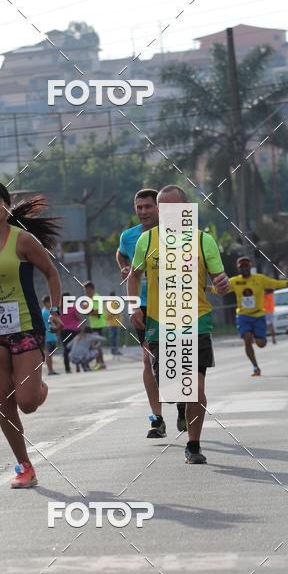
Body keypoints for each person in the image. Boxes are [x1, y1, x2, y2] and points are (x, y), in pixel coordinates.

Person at [0, 181, 62, 489]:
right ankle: (24, 466)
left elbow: (52, 273)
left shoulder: (23, 240)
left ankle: (38, 388)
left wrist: (56, 311)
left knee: (26, 402)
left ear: (6, 206)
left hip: (26, 326)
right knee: (3, 401)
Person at [128, 185, 231, 465]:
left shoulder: (203, 240)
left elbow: (219, 281)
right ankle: (181, 402)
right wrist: (133, 306)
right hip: (160, 324)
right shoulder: (147, 240)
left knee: (195, 387)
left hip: (196, 322)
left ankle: (193, 446)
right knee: (171, 388)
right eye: (162, 207)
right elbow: (134, 275)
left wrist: (223, 284)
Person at [117, 187, 186, 438]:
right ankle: (157, 419)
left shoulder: (175, 233)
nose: (143, 211)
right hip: (144, 305)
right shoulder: (129, 236)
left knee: (175, 355)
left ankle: (182, 404)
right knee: (149, 360)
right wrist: (126, 269)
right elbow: (121, 254)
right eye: (139, 207)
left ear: (159, 208)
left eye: (148, 206)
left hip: (172, 302)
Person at [217, 256, 287, 376]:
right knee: (247, 339)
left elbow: (274, 283)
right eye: (242, 267)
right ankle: (255, 367)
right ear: (238, 268)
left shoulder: (260, 279)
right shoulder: (234, 281)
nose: (244, 268)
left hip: (258, 315)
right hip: (243, 316)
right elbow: (220, 289)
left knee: (261, 344)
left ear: (250, 267)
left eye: (246, 266)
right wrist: (204, 288)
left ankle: (256, 335)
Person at [82, 281, 107, 369]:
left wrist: (87, 309)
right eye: (85, 290)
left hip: (98, 325)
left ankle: (101, 363)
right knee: (95, 344)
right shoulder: (90, 298)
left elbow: (96, 312)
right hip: (94, 325)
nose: (86, 292)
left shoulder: (96, 297)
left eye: (87, 289)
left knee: (96, 345)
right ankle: (99, 363)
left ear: (91, 289)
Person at [59, 290, 83, 374]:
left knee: (66, 349)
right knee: (76, 349)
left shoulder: (60, 309)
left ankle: (67, 368)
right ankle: (77, 366)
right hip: (74, 331)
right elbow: (79, 317)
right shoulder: (73, 307)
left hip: (63, 331)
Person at [41, 295, 58, 375]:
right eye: (50, 302)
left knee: (50, 354)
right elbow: (55, 320)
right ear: (46, 303)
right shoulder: (45, 312)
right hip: (48, 336)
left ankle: (51, 370)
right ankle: (50, 370)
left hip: (51, 336)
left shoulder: (47, 311)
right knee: (48, 354)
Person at [104, 290, 122, 355]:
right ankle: (114, 350)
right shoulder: (114, 303)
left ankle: (114, 350)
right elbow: (116, 313)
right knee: (114, 338)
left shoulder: (109, 303)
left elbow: (109, 314)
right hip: (114, 323)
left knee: (113, 338)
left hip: (112, 323)